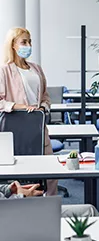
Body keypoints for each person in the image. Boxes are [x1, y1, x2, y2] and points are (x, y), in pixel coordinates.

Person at [0, 27, 57, 195]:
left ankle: (49, 206)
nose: (28, 45)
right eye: (24, 42)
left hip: (38, 126)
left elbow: (45, 96)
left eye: (29, 41)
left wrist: (42, 107)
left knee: (51, 172)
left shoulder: (36, 68)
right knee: (23, 174)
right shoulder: (5, 70)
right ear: (13, 45)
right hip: (16, 128)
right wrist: (21, 107)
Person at [0, 181, 99, 216]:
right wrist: (22, 196)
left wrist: (8, 189)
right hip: (15, 217)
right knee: (89, 211)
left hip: (13, 208)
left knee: (89, 210)